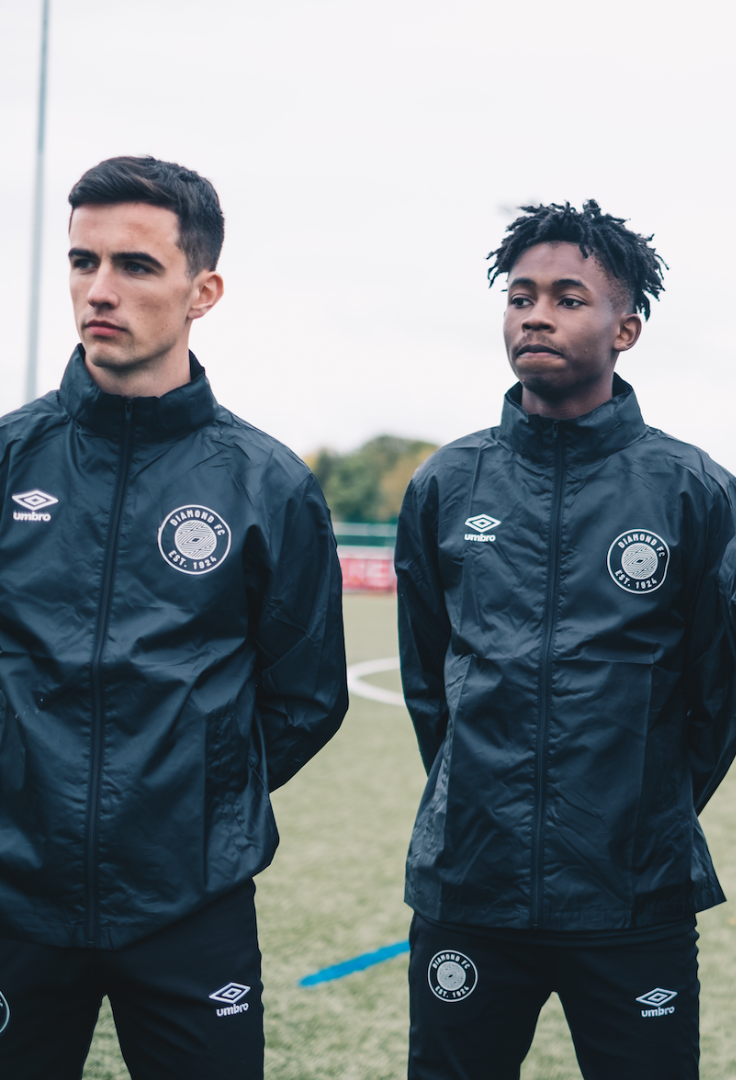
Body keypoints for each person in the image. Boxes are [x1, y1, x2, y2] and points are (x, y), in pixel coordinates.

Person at [0, 156, 347, 1079]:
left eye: (135, 265)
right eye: (83, 261)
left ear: (204, 292)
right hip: (14, 895)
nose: (99, 289)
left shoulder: (267, 484)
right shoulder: (10, 459)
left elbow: (307, 698)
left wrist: (196, 802)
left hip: (191, 902)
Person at [395, 201, 736, 1080]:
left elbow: (718, 698)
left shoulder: (695, 490)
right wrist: (482, 802)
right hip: (470, 885)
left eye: (567, 298)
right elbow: (429, 683)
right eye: (520, 297)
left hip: (634, 894)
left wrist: (641, 814)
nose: (536, 315)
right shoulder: (447, 483)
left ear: (626, 329)